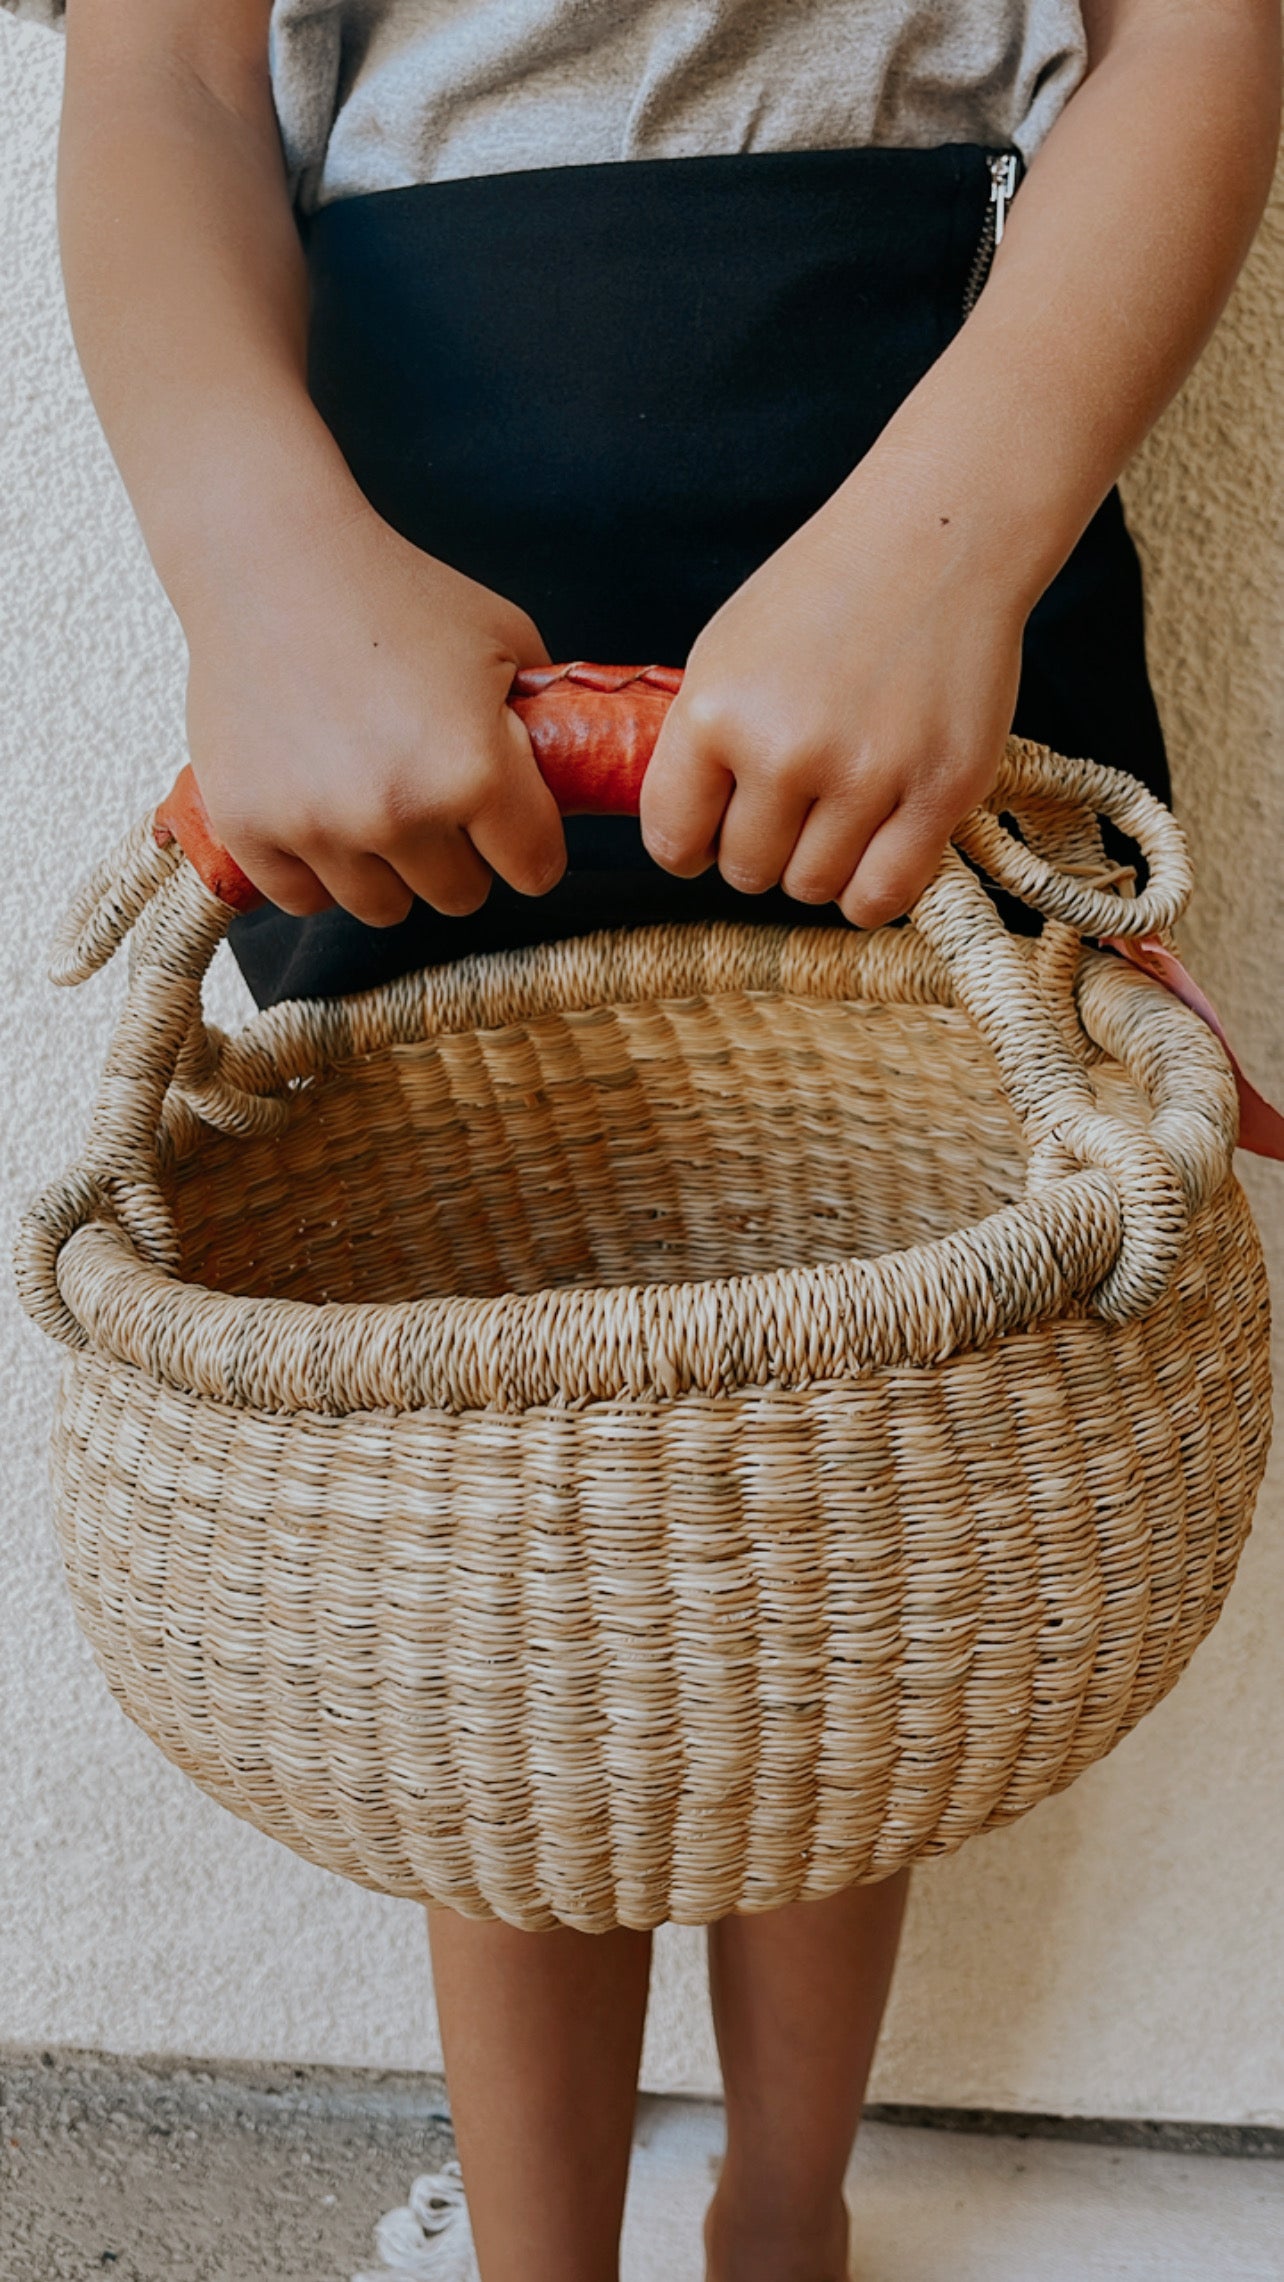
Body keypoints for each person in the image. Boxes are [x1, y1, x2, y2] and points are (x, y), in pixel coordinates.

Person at [4, 1, 1277, 2276]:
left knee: (862, 1496)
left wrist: (955, 548)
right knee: (482, 1526)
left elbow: (1196, 37)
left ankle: (788, 2225)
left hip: (935, 497)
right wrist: (254, 561)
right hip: (395, 596)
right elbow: (165, 78)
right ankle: (540, 2256)